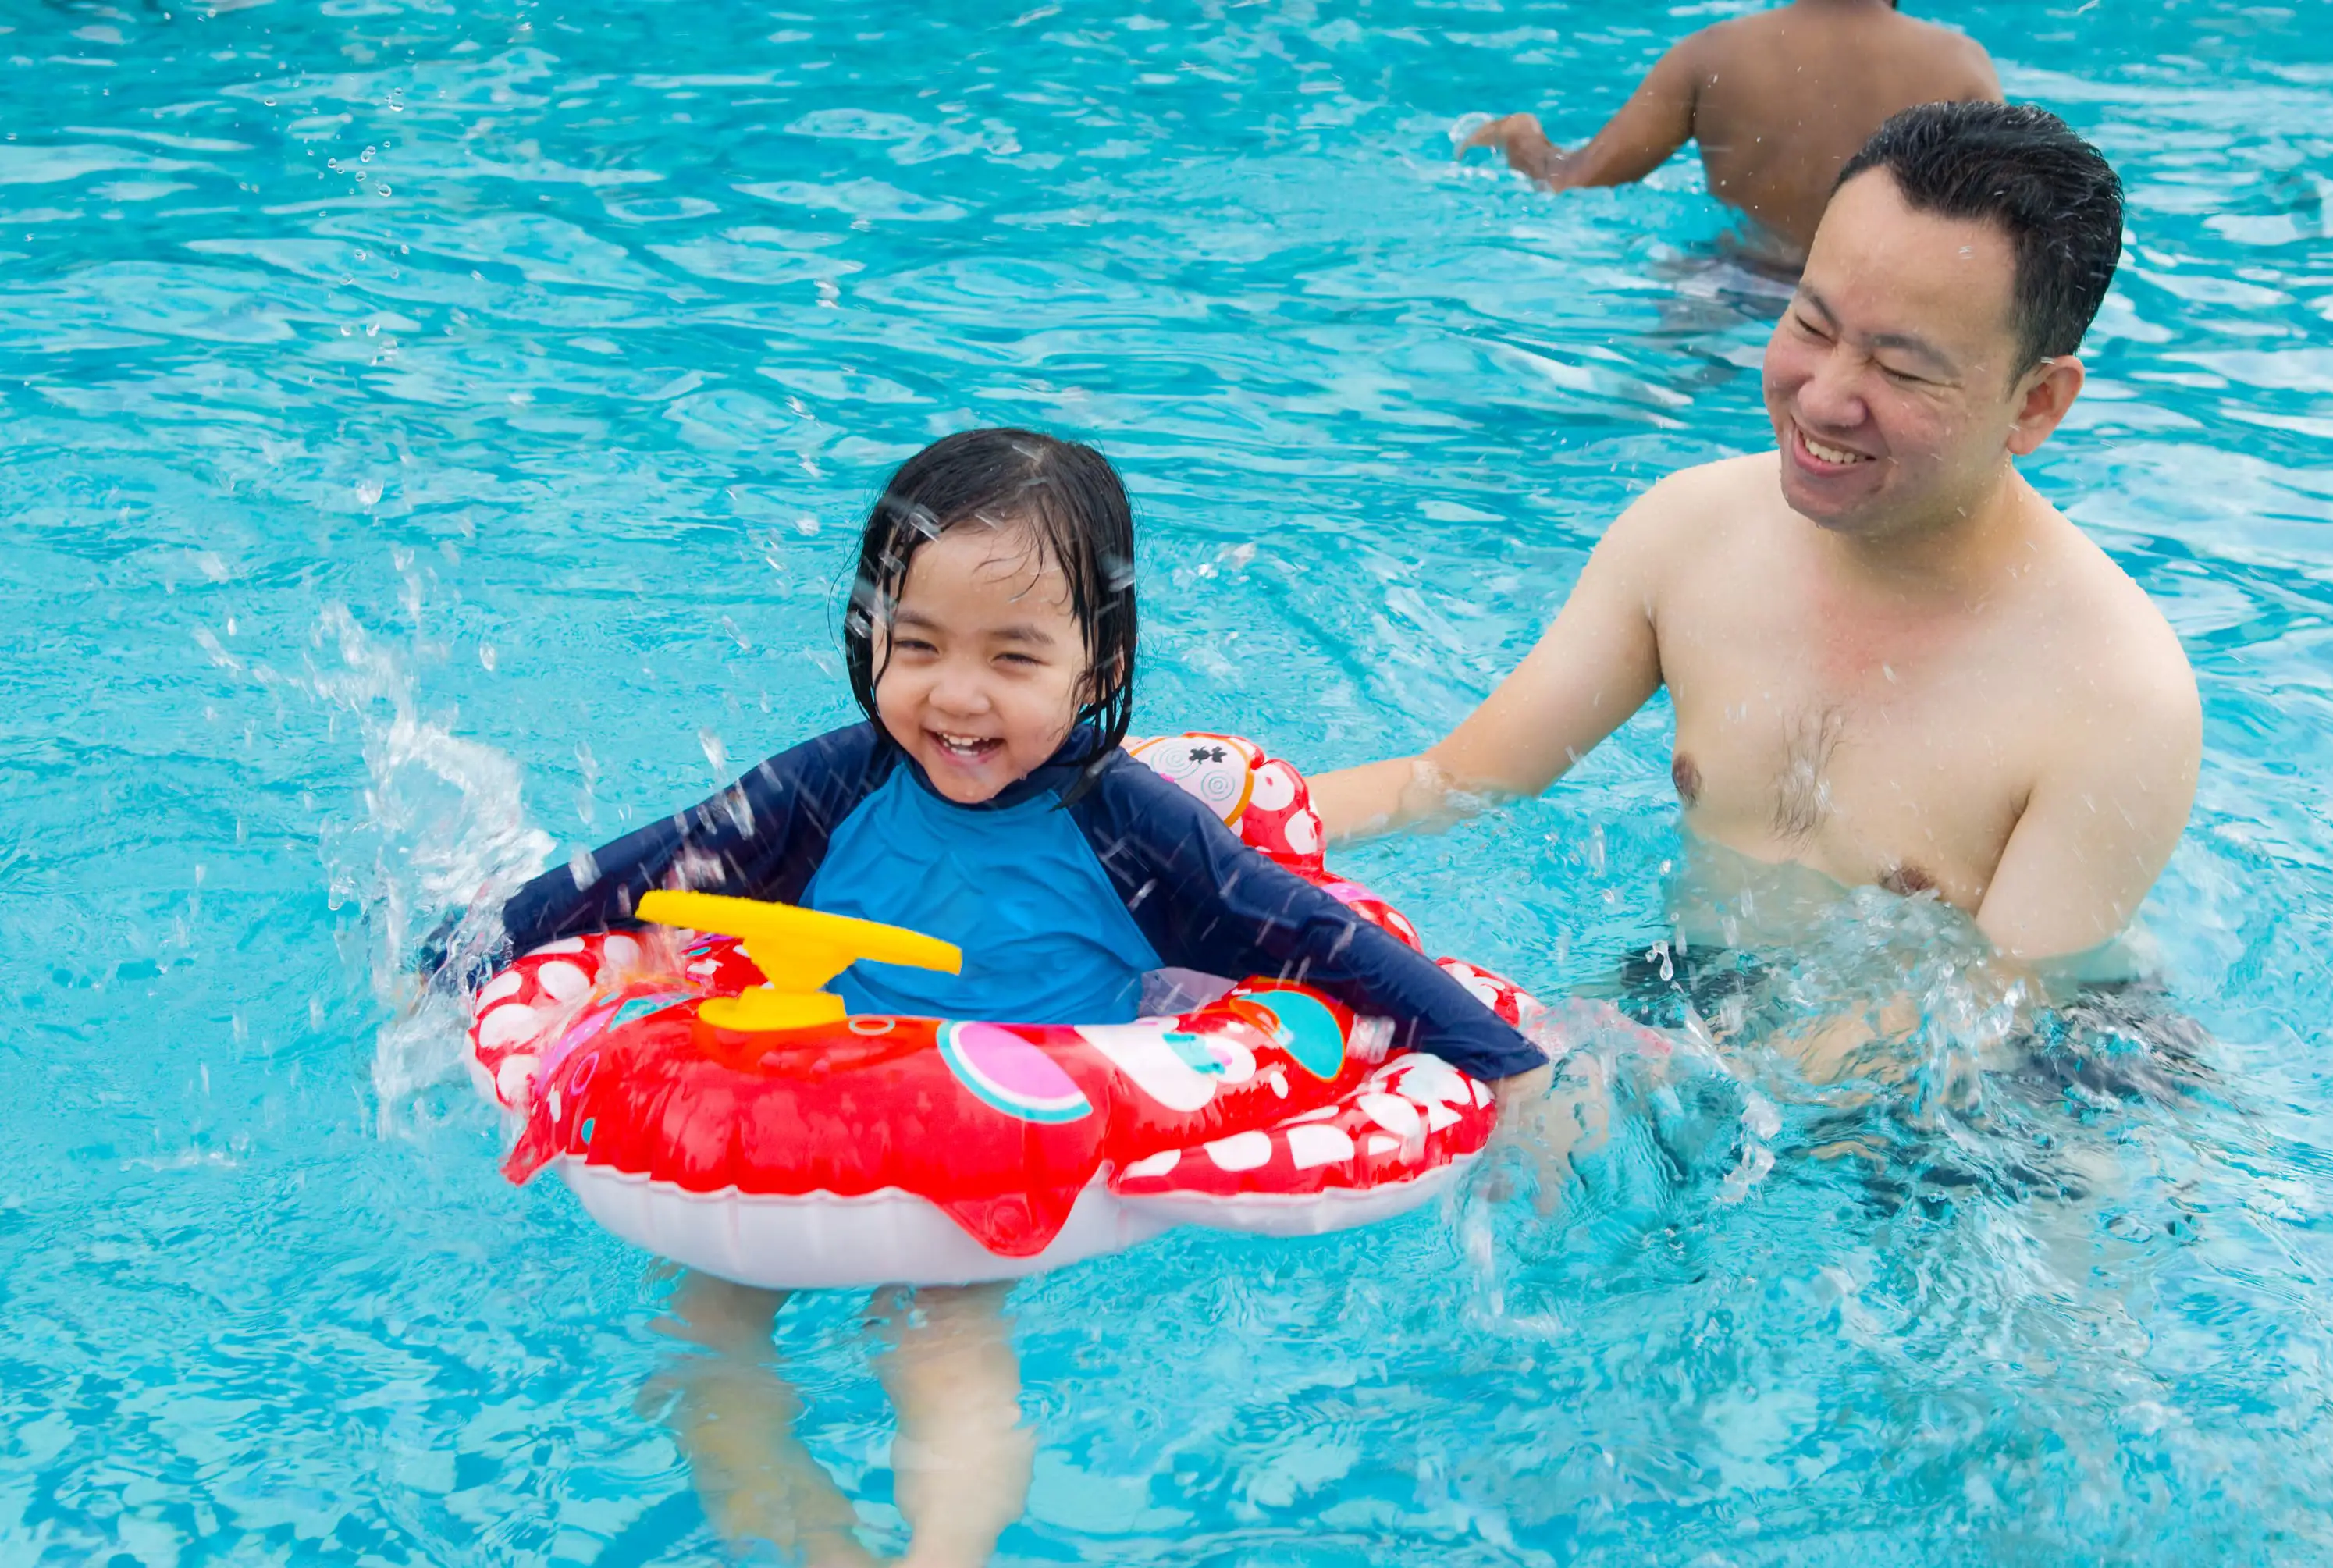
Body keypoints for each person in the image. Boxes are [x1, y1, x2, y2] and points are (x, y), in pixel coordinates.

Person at [478, 427, 1552, 1564]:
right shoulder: (832, 785)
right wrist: (468, 946)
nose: (956, 695)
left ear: (1094, 669)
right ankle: (806, 1544)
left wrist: (1506, 1061)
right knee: (696, 1326)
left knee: (935, 1329)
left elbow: (1310, 937)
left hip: (1003, 1140)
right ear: (871, 635)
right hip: (814, 1107)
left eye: (1014, 658)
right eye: (919, 643)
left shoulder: (1128, 827)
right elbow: (649, 868)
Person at [1314, 104, 2200, 1007]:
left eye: (1900, 371)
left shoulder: (2116, 696)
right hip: (1712, 985)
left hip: (2025, 1077)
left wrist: (1642, 1073)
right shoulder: (1690, 535)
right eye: (1812, 325)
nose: (1823, 400)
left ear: (2037, 403)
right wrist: (1210, 816)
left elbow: (1993, 1014)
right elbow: (1457, 780)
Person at [1460, 0, 2001, 268]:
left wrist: (1519, 134)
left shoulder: (1711, 54)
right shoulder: (1960, 66)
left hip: (1732, 282)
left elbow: (1571, 183)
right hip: (1871, 305)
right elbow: (1999, 223)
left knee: (1646, 399)